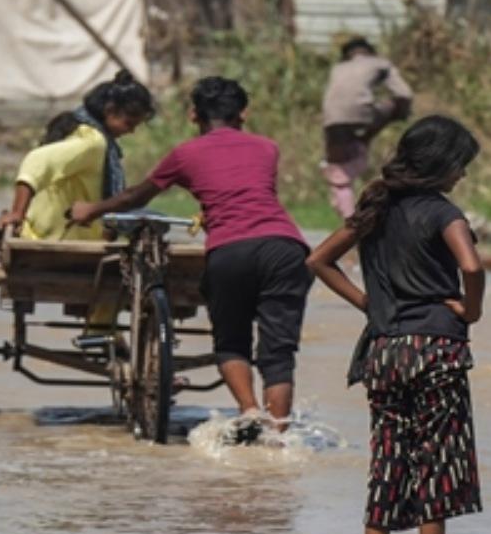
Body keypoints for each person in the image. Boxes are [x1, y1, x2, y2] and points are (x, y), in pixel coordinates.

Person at [70, 77, 313, 439]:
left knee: (231, 342)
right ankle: (278, 434)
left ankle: (248, 411)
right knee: (278, 351)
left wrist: (92, 210)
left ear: (192, 115)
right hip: (286, 247)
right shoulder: (267, 148)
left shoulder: (185, 154)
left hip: (231, 250)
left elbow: (136, 197)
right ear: (243, 114)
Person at [305, 115, 485, 534]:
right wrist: (471, 310)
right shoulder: (445, 213)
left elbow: (318, 260)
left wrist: (369, 304)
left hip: (384, 351)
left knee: (388, 459)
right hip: (437, 348)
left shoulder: (377, 208)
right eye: (460, 166)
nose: (462, 175)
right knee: (437, 464)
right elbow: (472, 265)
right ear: (442, 166)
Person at [0, 70, 154, 240]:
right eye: (129, 123)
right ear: (110, 110)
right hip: (51, 243)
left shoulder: (84, 134)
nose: (131, 131)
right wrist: (17, 213)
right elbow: (36, 160)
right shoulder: (93, 142)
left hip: (65, 239)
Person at [321, 36, 414, 219]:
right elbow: (404, 93)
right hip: (364, 118)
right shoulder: (379, 63)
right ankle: (364, 141)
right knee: (397, 105)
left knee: (339, 175)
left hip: (332, 121)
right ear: (369, 51)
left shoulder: (338, 68)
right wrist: (400, 113)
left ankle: (349, 218)